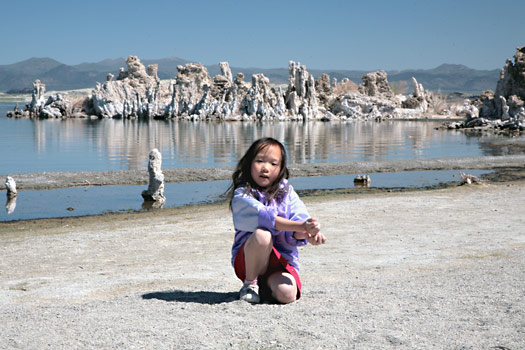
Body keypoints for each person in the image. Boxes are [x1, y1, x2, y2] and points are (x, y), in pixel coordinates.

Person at [228, 137, 327, 304]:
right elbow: (268, 219)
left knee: (287, 294)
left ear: (281, 169)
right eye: (259, 161)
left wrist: (309, 232)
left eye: (273, 164)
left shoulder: (288, 193)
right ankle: (250, 285)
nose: (265, 168)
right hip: (249, 261)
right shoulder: (242, 194)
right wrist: (302, 226)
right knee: (263, 235)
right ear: (249, 163)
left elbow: (298, 224)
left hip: (280, 262)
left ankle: (267, 289)